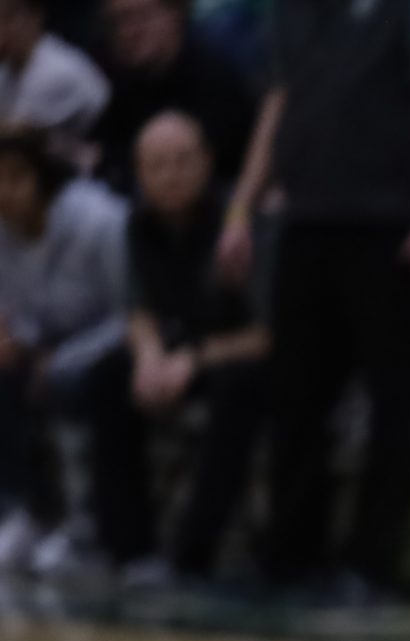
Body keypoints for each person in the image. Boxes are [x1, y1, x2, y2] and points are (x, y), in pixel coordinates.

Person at [222, 0, 410, 601]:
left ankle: (371, 564)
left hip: (393, 220)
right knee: (296, 396)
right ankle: (289, 553)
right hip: (306, 216)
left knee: (394, 403)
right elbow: (280, 98)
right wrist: (241, 206)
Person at [83, 109, 265, 587]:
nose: (172, 175)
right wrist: (148, 355)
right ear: (140, 174)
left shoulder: (241, 223)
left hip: (244, 356)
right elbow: (137, 308)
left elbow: (273, 333)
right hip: (181, 351)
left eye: (184, 160)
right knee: (107, 377)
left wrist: (194, 359)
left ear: (208, 162)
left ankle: (194, 554)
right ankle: (128, 549)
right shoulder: (138, 224)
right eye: (157, 165)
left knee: (239, 391)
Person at [0, 125, 124, 576]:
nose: (4, 191)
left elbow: (133, 314)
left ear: (43, 175)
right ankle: (29, 511)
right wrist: (17, 339)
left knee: (66, 380)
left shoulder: (101, 221)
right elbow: (19, 310)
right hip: (51, 343)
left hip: (114, 343)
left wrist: (65, 356)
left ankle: (82, 527)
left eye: (15, 177)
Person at [90, 0, 258, 193]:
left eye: (141, 17)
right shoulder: (116, 77)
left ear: (176, 13)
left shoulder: (214, 75)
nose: (129, 32)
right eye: (118, 21)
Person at [0, 0, 105, 136]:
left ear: (35, 16)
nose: (2, 29)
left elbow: (17, 135)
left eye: (8, 17)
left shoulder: (57, 70)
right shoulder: (7, 71)